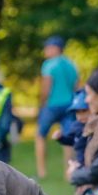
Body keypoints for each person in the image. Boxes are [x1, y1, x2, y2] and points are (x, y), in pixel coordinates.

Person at [35, 36, 78, 179]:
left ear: (55, 49)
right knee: (67, 138)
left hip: (52, 105)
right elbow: (77, 86)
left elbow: (46, 87)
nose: (45, 50)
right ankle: (69, 172)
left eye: (48, 47)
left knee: (40, 136)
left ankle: (42, 172)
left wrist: (42, 103)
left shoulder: (49, 64)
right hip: (69, 105)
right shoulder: (71, 64)